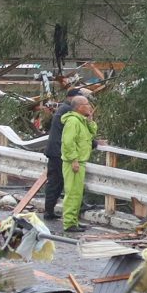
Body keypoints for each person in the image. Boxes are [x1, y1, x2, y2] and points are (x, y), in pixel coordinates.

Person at [59, 90, 98, 231]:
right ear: (79, 107)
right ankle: (69, 222)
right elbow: (68, 142)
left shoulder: (81, 121)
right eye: (87, 104)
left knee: (77, 193)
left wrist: (90, 119)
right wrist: (74, 160)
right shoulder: (73, 121)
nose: (89, 107)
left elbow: (92, 133)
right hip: (73, 163)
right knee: (72, 193)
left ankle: (73, 220)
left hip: (80, 161)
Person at [42, 89, 81, 219]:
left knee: (56, 181)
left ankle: (49, 211)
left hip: (55, 150)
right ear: (72, 98)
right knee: (57, 182)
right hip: (58, 151)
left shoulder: (64, 108)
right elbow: (73, 134)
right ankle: (50, 211)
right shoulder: (68, 111)